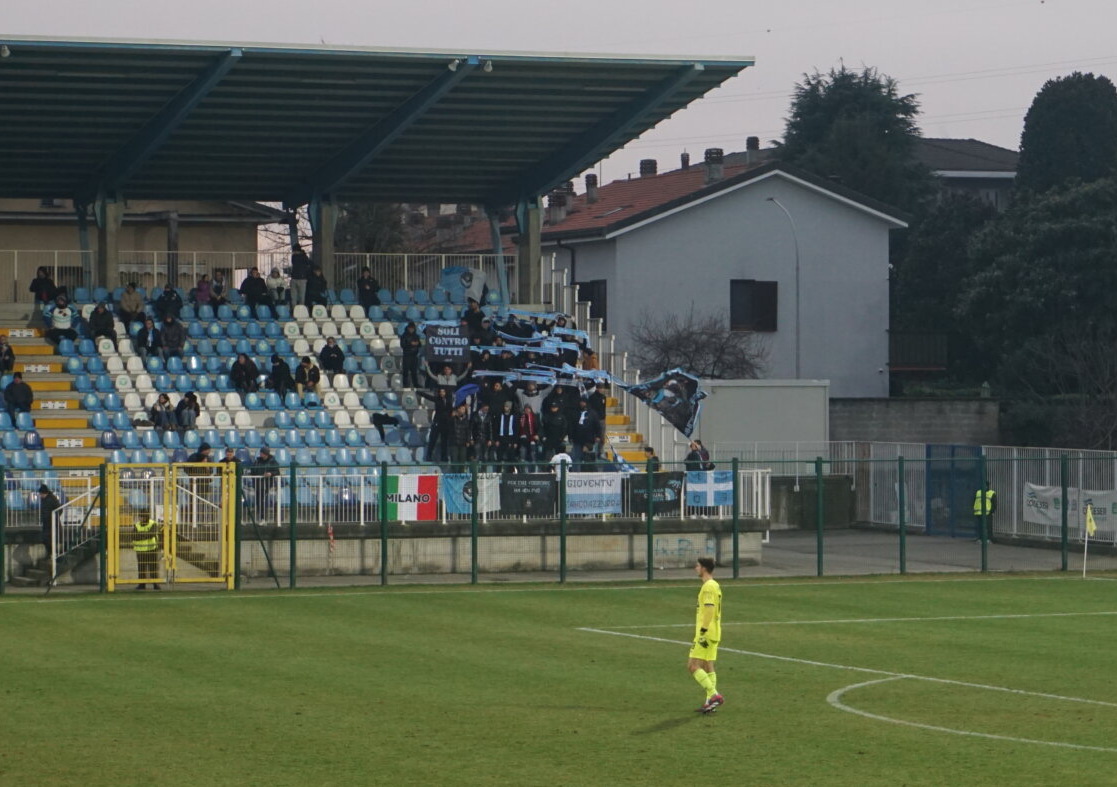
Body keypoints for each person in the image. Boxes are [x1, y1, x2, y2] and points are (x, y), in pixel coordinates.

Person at [689, 557, 724, 714]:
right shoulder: (714, 585)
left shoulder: (709, 587)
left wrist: (702, 631)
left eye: (698, 566)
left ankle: (714, 696)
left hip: (706, 634)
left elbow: (709, 609)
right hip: (714, 632)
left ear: (704, 568)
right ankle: (710, 703)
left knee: (693, 666)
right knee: (708, 666)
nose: (696, 568)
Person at [418, 387, 454, 462]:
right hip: (437, 422)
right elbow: (429, 397)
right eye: (440, 392)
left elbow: (450, 410)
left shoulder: (449, 401)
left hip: (445, 424)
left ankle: (444, 457)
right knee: (433, 440)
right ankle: (429, 456)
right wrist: (420, 393)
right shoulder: (437, 399)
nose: (442, 393)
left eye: (443, 391)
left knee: (444, 442)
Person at [569, 399, 602, 470]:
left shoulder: (592, 413)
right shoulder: (575, 413)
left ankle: (591, 474)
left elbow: (597, 426)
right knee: (576, 458)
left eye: (583, 402)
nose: (582, 404)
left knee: (590, 459)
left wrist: (598, 436)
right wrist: (570, 437)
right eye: (581, 402)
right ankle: (576, 475)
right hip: (577, 439)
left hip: (589, 440)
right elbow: (571, 426)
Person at [132, 513, 161, 590]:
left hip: (151, 549)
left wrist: (140, 535)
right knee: (141, 568)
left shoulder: (153, 524)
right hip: (140, 550)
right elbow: (134, 536)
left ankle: (155, 584)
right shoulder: (137, 525)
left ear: (146, 517)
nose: (141, 518)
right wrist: (146, 535)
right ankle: (141, 585)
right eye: (140, 517)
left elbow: (152, 534)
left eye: (142, 517)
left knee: (153, 568)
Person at [251, 446, 281, 520]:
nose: (260, 454)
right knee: (258, 500)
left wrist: (270, 473)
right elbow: (253, 471)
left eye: (262, 452)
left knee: (262, 500)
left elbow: (277, 471)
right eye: (261, 452)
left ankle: (263, 518)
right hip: (257, 483)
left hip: (266, 484)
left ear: (266, 454)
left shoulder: (272, 461)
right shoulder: (257, 461)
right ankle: (261, 517)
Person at [493, 399, 519, 472]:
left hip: (510, 439)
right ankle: (498, 472)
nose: (505, 408)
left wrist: (515, 442)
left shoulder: (514, 417)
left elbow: (516, 430)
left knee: (511, 457)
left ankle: (511, 473)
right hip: (501, 439)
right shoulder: (499, 416)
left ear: (510, 408)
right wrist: (496, 439)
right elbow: (496, 428)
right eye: (505, 406)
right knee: (499, 457)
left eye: (507, 406)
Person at [518, 404, 542, 471]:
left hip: (533, 439)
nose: (527, 410)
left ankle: (533, 471)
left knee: (533, 455)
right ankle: (523, 472)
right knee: (522, 455)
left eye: (528, 409)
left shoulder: (535, 417)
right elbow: (519, 429)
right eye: (526, 409)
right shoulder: (521, 417)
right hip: (523, 440)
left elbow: (540, 428)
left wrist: (538, 435)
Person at [399, 322, 423, 388]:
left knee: (414, 371)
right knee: (406, 371)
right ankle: (405, 384)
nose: (411, 330)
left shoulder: (416, 336)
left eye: (413, 328)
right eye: (410, 328)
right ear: (408, 328)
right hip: (407, 355)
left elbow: (420, 344)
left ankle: (415, 384)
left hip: (414, 355)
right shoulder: (404, 336)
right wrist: (410, 344)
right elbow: (403, 345)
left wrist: (416, 344)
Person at [39, 484, 60, 552]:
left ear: (44, 493)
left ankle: (52, 555)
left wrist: (53, 517)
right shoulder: (47, 499)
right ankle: (51, 554)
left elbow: (59, 510)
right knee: (47, 539)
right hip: (48, 523)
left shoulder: (50, 499)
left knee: (48, 539)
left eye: (41, 494)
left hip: (51, 523)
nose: (40, 495)